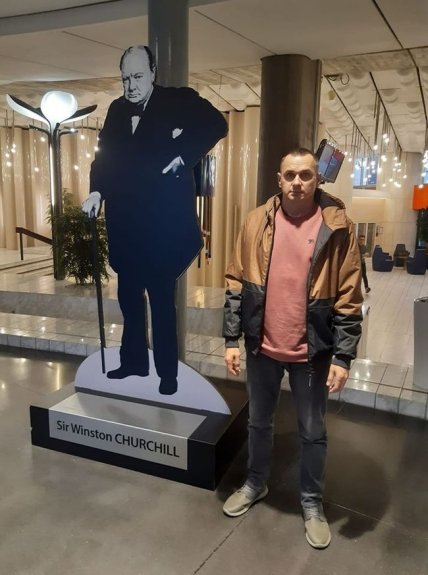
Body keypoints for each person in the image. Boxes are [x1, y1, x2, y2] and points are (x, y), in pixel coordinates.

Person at [222, 148, 363, 549]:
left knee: (313, 431)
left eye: (305, 175)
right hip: (261, 347)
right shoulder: (255, 221)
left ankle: (312, 502)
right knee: (258, 422)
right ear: (278, 179)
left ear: (317, 179)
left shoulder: (338, 226)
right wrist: (231, 339)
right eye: (290, 175)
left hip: (312, 353)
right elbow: (235, 281)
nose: (297, 183)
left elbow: (349, 295)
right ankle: (255, 483)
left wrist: (343, 356)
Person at [82, 45, 227, 395]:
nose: (130, 86)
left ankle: (167, 375)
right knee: (129, 300)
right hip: (126, 226)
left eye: (137, 77)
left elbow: (217, 124)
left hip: (161, 229)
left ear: (153, 73)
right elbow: (104, 157)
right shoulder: (117, 110)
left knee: (162, 303)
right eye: (125, 79)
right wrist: (96, 192)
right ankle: (133, 362)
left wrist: (183, 155)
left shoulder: (178, 100)